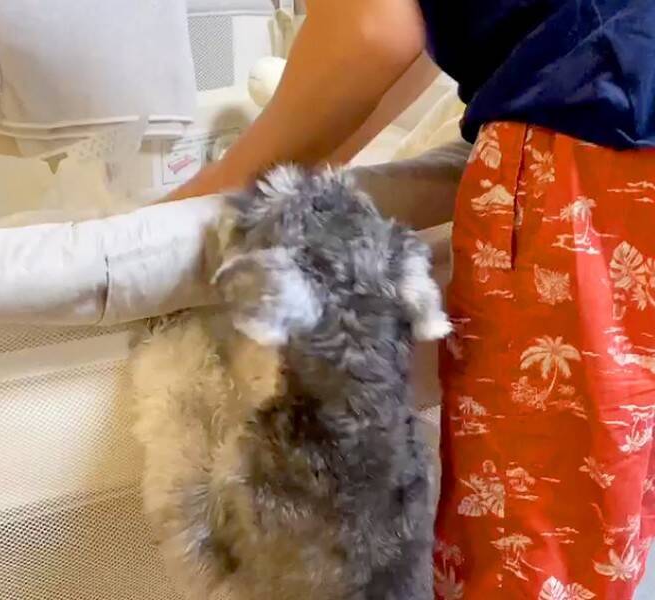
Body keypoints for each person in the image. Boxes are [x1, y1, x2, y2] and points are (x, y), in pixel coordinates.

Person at [169, 1, 655, 598]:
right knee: (614, 498)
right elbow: (414, 31)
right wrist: (316, 166)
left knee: (529, 549)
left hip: (595, 140)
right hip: (626, 114)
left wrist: (213, 191)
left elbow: (377, 26)